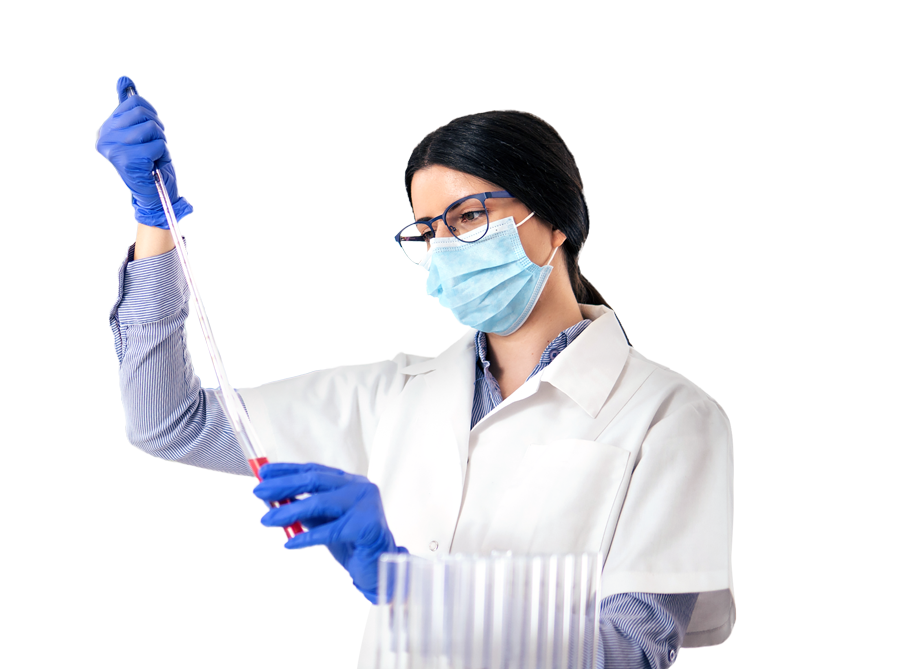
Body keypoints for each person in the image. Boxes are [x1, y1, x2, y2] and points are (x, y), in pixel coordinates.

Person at [98, 75, 735, 669]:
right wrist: (158, 223)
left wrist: (405, 584)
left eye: (469, 217)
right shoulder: (386, 398)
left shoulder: (670, 418)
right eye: (427, 231)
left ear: (557, 221)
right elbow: (170, 421)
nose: (446, 248)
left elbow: (631, 649)